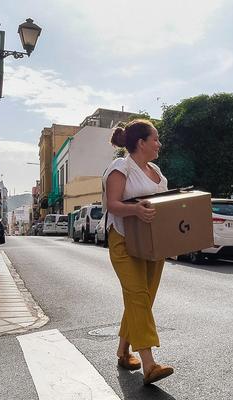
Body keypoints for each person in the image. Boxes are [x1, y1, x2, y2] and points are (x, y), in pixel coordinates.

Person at [102, 120, 175, 384]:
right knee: (138, 296)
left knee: (143, 297)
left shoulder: (155, 171)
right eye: (155, 139)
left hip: (153, 243)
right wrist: (136, 210)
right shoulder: (121, 168)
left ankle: (123, 351)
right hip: (123, 239)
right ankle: (149, 364)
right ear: (141, 143)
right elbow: (112, 204)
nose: (159, 144)